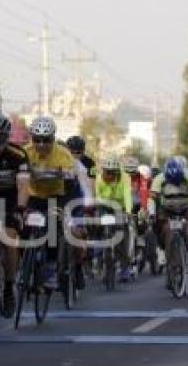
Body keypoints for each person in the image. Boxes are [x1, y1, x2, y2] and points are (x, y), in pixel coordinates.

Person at [21, 116, 90, 287]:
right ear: (32, 139)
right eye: (37, 140)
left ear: (53, 139)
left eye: (46, 140)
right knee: (22, 223)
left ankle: (52, 267)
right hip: (35, 196)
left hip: (58, 195)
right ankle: (27, 261)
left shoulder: (63, 154)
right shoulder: (26, 152)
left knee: (52, 225)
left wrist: (60, 174)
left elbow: (70, 178)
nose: (41, 145)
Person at [0, 112, 29, 317]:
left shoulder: (17, 155)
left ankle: (9, 287)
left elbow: (24, 185)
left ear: (7, 137)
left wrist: (20, 209)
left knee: (10, 239)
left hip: (9, 200)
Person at [149, 156, 188, 287]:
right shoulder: (159, 179)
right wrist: (151, 213)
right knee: (156, 224)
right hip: (166, 208)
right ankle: (161, 249)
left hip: (184, 207)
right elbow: (152, 198)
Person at [94, 153, 134, 281]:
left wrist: (128, 211)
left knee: (122, 234)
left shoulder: (125, 177)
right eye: (107, 172)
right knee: (96, 226)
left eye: (113, 172)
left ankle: (124, 268)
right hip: (104, 206)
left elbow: (128, 195)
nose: (110, 175)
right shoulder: (99, 179)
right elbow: (97, 197)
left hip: (119, 207)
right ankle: (98, 258)